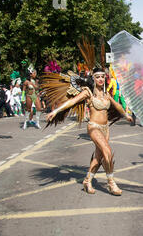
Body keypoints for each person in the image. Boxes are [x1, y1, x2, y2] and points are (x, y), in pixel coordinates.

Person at [45, 67, 134, 196]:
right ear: (93, 78)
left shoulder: (106, 94)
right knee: (108, 152)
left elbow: (117, 105)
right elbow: (72, 101)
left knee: (98, 158)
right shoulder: (88, 93)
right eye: (97, 77)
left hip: (105, 128)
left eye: (102, 77)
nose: (100, 79)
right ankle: (111, 183)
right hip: (94, 127)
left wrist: (126, 115)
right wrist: (55, 111)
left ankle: (87, 181)